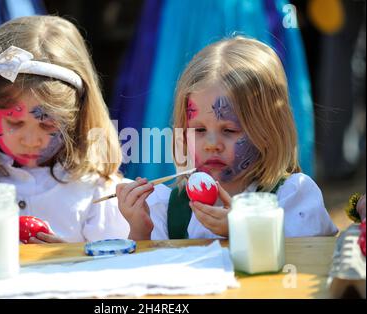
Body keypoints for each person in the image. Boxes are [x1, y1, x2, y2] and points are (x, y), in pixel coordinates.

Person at [0, 16, 129, 248]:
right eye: (14, 123)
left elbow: (111, 273)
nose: (30, 140)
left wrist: (68, 257)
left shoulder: (98, 194)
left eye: (48, 125)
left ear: (77, 118)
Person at [117, 36, 338, 240]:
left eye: (230, 130)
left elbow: (310, 263)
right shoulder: (168, 209)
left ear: (269, 131)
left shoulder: (291, 198)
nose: (212, 145)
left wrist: (242, 231)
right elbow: (148, 274)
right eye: (199, 130)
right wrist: (140, 231)